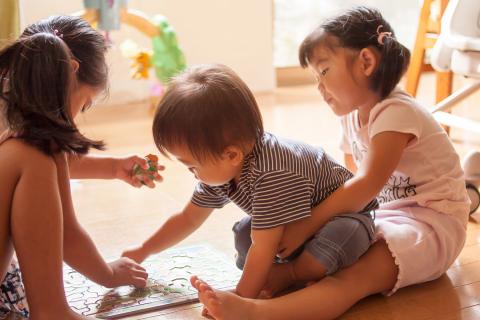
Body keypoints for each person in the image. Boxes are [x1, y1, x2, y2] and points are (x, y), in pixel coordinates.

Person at [189, 6, 471, 320]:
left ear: (366, 61)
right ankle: (287, 277)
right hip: (387, 215)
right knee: (326, 244)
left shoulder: (395, 112)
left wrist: (307, 223)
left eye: (324, 71)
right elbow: (346, 185)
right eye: (314, 76)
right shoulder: (353, 116)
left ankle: (257, 312)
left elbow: (365, 185)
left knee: (353, 278)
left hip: (434, 224)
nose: (319, 87)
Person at [122, 63, 378, 304]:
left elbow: (265, 245)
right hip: (293, 226)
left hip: (344, 219)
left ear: (231, 155)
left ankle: (292, 275)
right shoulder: (223, 163)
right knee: (244, 235)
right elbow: (188, 218)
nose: (193, 174)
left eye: (192, 166)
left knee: (338, 237)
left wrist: (241, 300)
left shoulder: (272, 173)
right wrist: (143, 250)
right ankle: (290, 274)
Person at [0, 15, 162, 320]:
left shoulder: (19, 131)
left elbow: (57, 216)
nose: (78, 116)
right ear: (71, 71)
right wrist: (106, 274)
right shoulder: (33, 155)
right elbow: (51, 312)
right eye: (85, 103)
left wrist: (113, 168)